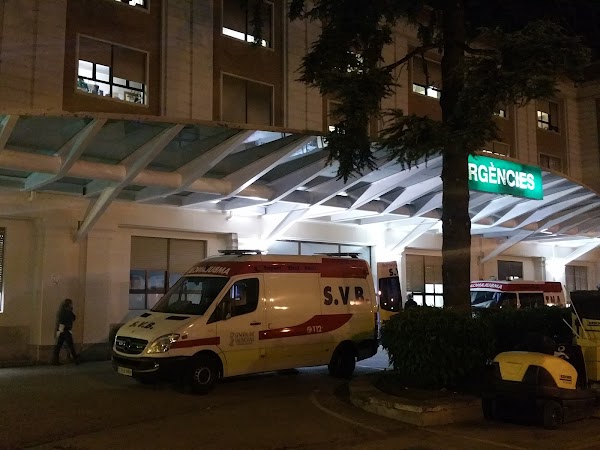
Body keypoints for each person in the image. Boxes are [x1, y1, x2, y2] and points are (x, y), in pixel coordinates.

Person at [52, 299, 79, 365]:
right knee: (70, 345)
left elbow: (60, 321)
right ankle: (76, 359)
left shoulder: (62, 312)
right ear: (69, 304)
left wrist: (58, 330)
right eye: (71, 304)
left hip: (62, 330)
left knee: (58, 346)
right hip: (66, 331)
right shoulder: (68, 312)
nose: (72, 305)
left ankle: (55, 361)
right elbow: (74, 318)